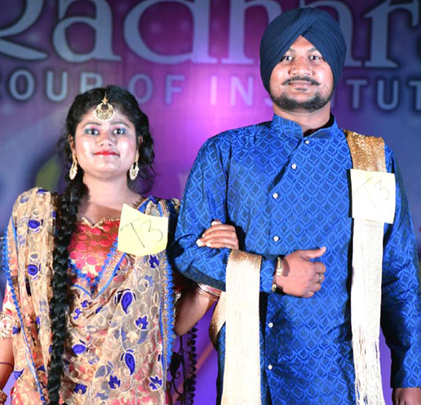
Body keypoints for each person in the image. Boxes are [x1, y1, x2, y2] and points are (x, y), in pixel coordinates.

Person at [172, 8, 421, 405]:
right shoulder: (226, 152)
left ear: (334, 68)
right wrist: (274, 273)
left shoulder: (372, 159)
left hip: (339, 380)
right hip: (249, 375)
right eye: (286, 56)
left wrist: (410, 375)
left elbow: (399, 274)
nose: (300, 68)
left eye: (315, 56)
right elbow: (188, 252)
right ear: (268, 70)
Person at [0, 85, 238, 405]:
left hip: (131, 396)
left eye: (119, 130)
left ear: (138, 144)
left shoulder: (158, 219)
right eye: (92, 130)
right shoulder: (39, 217)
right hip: (44, 395)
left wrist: (216, 268)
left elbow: (169, 325)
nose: (106, 140)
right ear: (72, 145)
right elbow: (13, 319)